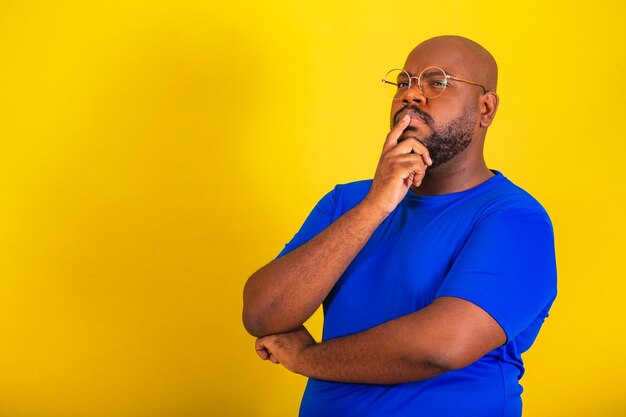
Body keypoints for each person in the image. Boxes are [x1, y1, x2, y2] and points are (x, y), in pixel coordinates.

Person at [242, 35, 557, 417]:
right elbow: (263, 315)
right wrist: (375, 205)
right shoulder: (348, 202)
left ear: (485, 109)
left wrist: (308, 358)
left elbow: (442, 347)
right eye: (404, 83)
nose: (412, 95)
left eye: (436, 82)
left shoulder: (514, 218)